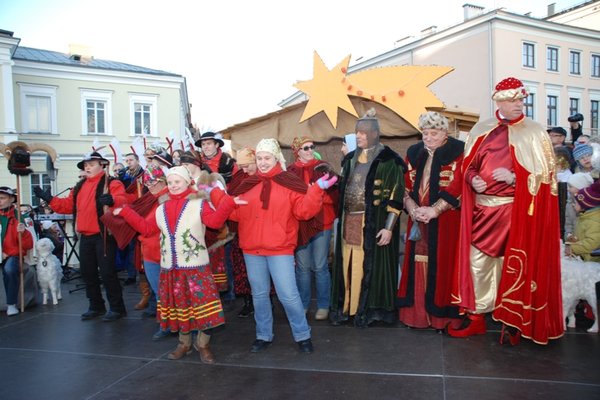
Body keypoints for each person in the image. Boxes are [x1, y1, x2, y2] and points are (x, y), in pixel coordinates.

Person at [448, 77, 563, 345]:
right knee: (478, 264)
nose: (519, 105)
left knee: (514, 267)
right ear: (499, 101)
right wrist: (472, 177)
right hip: (482, 211)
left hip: (516, 214)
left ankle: (514, 322)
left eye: (521, 100)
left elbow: (547, 177)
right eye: (513, 100)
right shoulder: (482, 129)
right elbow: (468, 164)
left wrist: (516, 178)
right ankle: (476, 318)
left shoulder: (534, 132)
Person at [114, 166, 237, 363]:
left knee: (202, 308)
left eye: (177, 182)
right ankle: (184, 343)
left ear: (188, 182)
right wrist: (127, 213)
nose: (173, 186)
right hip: (171, 269)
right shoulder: (161, 209)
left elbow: (214, 223)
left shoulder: (199, 204)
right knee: (180, 307)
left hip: (196, 268)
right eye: (170, 182)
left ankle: (203, 344)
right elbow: (146, 229)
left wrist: (228, 202)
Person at [228, 138, 336, 354]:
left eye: (267, 158)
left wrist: (316, 191)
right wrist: (220, 198)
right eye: (259, 158)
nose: (262, 162)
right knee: (259, 295)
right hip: (252, 249)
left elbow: (303, 211)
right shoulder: (247, 184)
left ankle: (302, 334)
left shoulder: (288, 181)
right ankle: (263, 335)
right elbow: (235, 214)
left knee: (288, 295)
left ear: (276, 157)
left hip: (279, 249)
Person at [330, 109, 406, 327]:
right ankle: (349, 309)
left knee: (368, 265)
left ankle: (367, 309)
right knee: (348, 263)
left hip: (372, 223)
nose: (359, 136)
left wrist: (389, 227)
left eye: (363, 132)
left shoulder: (389, 161)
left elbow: (396, 196)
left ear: (375, 134)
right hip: (349, 221)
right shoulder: (350, 160)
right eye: (357, 132)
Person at [34, 152, 128, 322]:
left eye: (91, 164)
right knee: (88, 273)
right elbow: (67, 206)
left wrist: (113, 199)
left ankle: (117, 308)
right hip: (85, 236)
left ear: (102, 164)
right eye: (86, 165)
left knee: (107, 273)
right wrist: (48, 198)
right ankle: (96, 306)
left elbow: (123, 200)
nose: (87, 167)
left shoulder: (112, 183)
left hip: (103, 236)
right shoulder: (79, 187)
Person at [397, 112, 463, 330]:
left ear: (445, 133)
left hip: (446, 222)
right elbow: (404, 186)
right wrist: (413, 208)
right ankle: (416, 316)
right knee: (417, 262)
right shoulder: (414, 153)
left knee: (444, 265)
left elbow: (459, 187)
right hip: (417, 219)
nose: (428, 137)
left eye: (434, 133)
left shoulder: (458, 152)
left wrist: (435, 210)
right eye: (425, 133)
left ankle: (440, 318)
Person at [102, 165, 172, 339]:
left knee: (164, 292)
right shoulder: (150, 198)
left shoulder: (165, 200)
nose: (149, 185)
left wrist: (125, 212)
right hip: (149, 252)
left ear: (162, 181)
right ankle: (166, 323)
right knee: (159, 292)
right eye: (147, 181)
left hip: (162, 253)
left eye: (153, 181)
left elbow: (147, 228)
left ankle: (169, 325)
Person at [288, 136, 339, 320]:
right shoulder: (291, 172)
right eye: (305, 148)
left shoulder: (323, 167)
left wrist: (316, 195)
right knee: (302, 267)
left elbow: (334, 195)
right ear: (297, 152)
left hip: (322, 223)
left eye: (312, 147)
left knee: (320, 266)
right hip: (301, 225)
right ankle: (303, 303)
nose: (310, 151)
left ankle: (324, 304)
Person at [195, 131, 239, 309]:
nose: (206, 147)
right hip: (204, 213)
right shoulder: (198, 164)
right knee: (209, 257)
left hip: (224, 211)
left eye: (209, 143)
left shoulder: (228, 163)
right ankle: (213, 291)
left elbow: (235, 185)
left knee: (226, 255)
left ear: (217, 145)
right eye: (203, 144)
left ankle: (230, 291)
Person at [227, 147, 258, 317]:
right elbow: (230, 197)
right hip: (241, 229)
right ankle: (248, 301)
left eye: (248, 165)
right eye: (242, 166)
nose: (245, 170)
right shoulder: (239, 177)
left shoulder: (263, 177)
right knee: (243, 268)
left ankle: (263, 301)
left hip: (259, 229)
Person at [0, 187, 34, 316]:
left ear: (12, 199)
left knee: (9, 269)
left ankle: (11, 303)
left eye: (2, 198)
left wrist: (24, 233)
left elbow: (28, 245)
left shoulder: (21, 218)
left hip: (12, 255)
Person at [565, 183, 600, 262]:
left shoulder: (594, 222)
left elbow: (592, 243)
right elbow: (582, 234)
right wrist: (573, 238)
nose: (574, 205)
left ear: (586, 205)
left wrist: (573, 248)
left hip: (589, 261)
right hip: (580, 256)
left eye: (576, 203)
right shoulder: (584, 216)